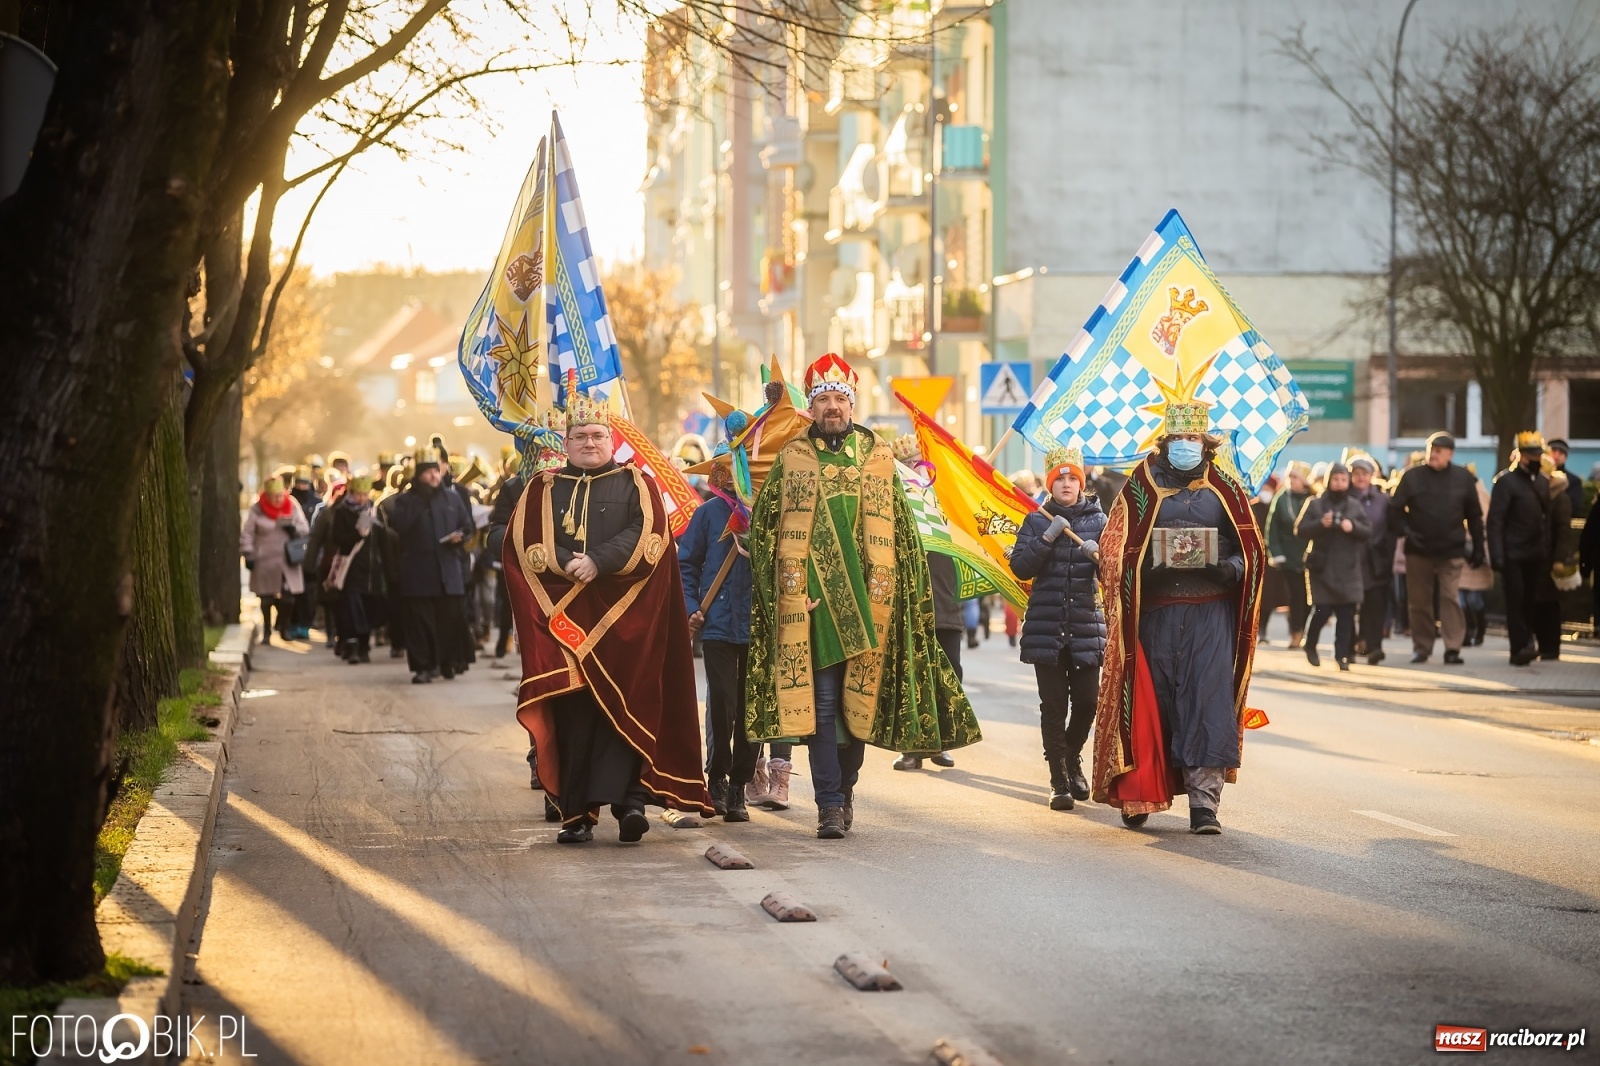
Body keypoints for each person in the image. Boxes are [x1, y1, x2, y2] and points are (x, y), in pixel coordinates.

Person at [745, 353, 981, 839]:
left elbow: (906, 540)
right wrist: (790, 594)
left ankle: (846, 788)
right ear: (810, 407)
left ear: (851, 404)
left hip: (873, 610)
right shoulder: (792, 459)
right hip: (814, 612)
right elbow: (767, 535)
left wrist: (903, 598)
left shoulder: (878, 460)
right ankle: (829, 804)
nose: (832, 406)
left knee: (857, 715)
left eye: (839, 398)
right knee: (824, 708)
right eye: (823, 399)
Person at [502, 381, 712, 843]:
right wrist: (565, 564)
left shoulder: (637, 482)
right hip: (567, 624)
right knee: (576, 717)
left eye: (598, 436)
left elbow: (651, 535)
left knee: (627, 706)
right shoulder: (542, 487)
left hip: (625, 621)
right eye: (581, 437)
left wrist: (599, 560)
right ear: (567, 442)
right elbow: (523, 543)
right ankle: (577, 815)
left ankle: (630, 804)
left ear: (610, 439)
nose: (590, 444)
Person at [1091, 398, 1265, 835]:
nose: (1184, 446)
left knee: (1207, 704)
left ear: (1205, 444)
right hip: (1154, 616)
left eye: (1192, 439)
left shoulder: (1226, 488)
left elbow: (1252, 551)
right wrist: (1146, 566)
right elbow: (1114, 549)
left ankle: (1205, 806)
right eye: (1177, 439)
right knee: (1154, 703)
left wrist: (1229, 568)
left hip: (1210, 615)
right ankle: (1139, 792)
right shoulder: (1138, 487)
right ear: (1164, 442)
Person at [1010, 444, 1107, 810]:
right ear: (1050, 484)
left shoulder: (1099, 520)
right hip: (1045, 628)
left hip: (1085, 626)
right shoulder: (1036, 520)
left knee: (1087, 702)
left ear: (1081, 483)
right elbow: (1021, 567)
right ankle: (1058, 780)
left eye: (1072, 478)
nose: (1066, 484)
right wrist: (1048, 537)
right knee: (1053, 705)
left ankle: (1070, 755)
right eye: (1059, 479)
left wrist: (1099, 556)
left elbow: (1113, 573)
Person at [678, 449, 757, 821]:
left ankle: (740, 784)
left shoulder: (765, 513)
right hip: (719, 623)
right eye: (724, 470)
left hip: (759, 624)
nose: (732, 478)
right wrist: (691, 603)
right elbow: (686, 564)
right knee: (723, 703)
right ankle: (719, 777)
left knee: (750, 708)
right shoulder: (707, 514)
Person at [1390, 431, 1485, 664]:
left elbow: (1474, 515)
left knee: (1449, 598)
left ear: (1450, 454)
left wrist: (1479, 547)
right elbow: (1394, 509)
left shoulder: (1463, 479)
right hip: (1418, 549)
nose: (1433, 454)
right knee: (1419, 601)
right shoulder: (1412, 476)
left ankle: (1453, 648)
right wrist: (1406, 530)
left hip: (1451, 549)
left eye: (1438, 450)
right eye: (1431, 449)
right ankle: (1422, 647)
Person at [389, 446, 474, 684]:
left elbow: (468, 527)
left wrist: (461, 536)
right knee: (420, 623)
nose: (434, 476)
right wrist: (420, 502)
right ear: (418, 476)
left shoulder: (452, 498)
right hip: (418, 572)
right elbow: (400, 526)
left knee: (448, 621)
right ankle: (423, 667)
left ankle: (447, 662)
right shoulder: (406, 500)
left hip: (448, 570)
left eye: (436, 471)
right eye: (428, 473)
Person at [1294, 462, 1371, 671]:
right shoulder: (1315, 503)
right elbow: (1299, 530)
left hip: (1348, 568)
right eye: (1336, 479)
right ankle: (1310, 646)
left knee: (1346, 616)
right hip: (1321, 567)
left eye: (1343, 479)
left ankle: (1342, 656)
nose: (1339, 483)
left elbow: (1367, 531)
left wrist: (1351, 526)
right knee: (1321, 611)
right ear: (1329, 480)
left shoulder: (1355, 505)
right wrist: (1321, 523)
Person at [1487, 432, 1553, 666]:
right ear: (1521, 456)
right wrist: (1497, 556)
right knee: (1515, 600)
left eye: (1538, 454)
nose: (1536, 459)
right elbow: (1495, 521)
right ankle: (1519, 648)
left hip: (1535, 554)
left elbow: (1547, 520)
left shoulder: (1543, 482)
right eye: (1532, 455)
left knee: (1530, 600)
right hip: (1512, 554)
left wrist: (1548, 551)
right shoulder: (1505, 482)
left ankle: (1527, 641)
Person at [240, 477, 311, 644]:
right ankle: (266, 629)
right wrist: (248, 552)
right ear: (267, 496)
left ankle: (284, 626)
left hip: (288, 558)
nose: (279, 499)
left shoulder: (292, 505)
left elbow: (304, 528)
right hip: (265, 559)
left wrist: (294, 530)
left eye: (281, 495)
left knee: (288, 597)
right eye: (275, 496)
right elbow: (247, 533)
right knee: (266, 598)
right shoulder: (257, 509)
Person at [328, 474, 386, 663]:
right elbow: (337, 538)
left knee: (369, 607)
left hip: (371, 570)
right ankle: (352, 645)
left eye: (365, 494)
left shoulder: (375, 511)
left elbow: (382, 539)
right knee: (352, 608)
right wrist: (357, 534)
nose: (362, 498)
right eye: (358, 494)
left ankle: (363, 645)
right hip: (351, 568)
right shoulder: (342, 511)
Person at [1347, 455, 1395, 664]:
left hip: (1376, 559)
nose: (1360, 478)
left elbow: (1390, 529)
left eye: (1364, 473)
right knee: (1349, 606)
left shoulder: (1383, 499)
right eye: (1356, 473)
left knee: (1375, 603)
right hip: (1349, 559)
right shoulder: (1343, 497)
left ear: (1372, 475)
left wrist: (1388, 554)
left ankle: (1374, 646)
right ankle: (1349, 646)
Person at [1534, 455, 1577, 660]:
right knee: (1537, 604)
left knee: (1549, 605)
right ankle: (1542, 646)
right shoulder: (1535, 493)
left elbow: (1563, 531)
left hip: (1551, 560)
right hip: (1535, 557)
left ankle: (1551, 648)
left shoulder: (1560, 496)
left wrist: (1558, 559)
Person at [1266, 462, 1313, 648]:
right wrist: (1276, 553)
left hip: (1310, 557)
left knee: (1309, 598)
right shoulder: (1281, 498)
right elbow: (1272, 528)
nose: (1291, 481)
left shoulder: (1313, 498)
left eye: (1295, 477)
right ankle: (1296, 633)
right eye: (1289, 477)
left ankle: (1305, 630)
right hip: (1288, 557)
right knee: (1295, 596)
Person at [1547, 439, 1585, 517]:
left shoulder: (1573, 481)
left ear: (1565, 457)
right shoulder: (1537, 476)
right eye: (1553, 451)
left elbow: (1574, 506)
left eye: (1561, 453)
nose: (1556, 456)